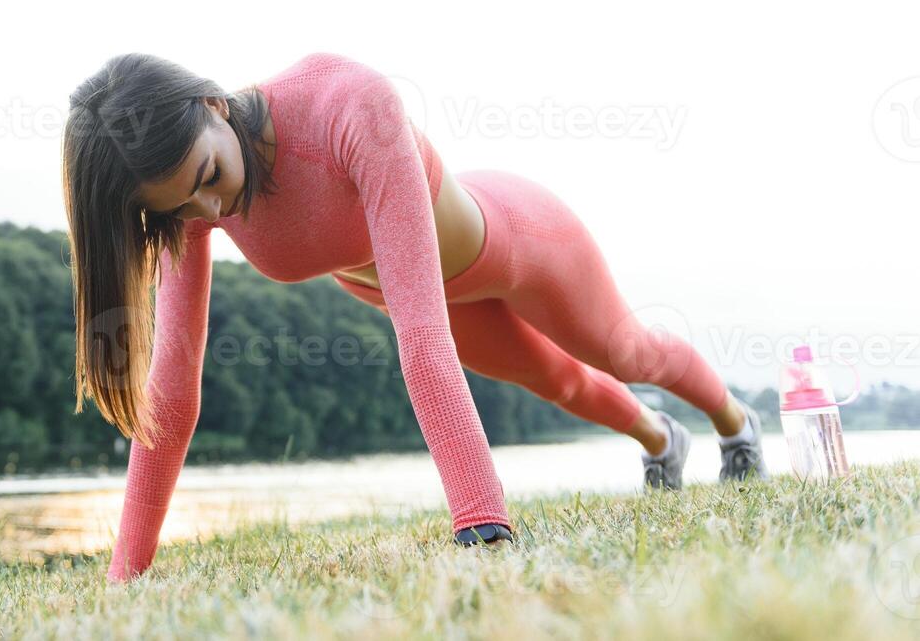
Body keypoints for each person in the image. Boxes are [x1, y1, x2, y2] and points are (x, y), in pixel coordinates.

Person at [60, 51, 767, 584]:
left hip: (521, 246)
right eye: (182, 207)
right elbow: (173, 391)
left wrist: (481, 524)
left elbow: (422, 339)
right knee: (561, 385)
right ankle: (660, 441)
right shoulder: (185, 200)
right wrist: (128, 574)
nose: (208, 212)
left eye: (208, 180)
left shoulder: (347, 106)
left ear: (213, 105)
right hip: (416, 294)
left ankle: (737, 426)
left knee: (628, 354)